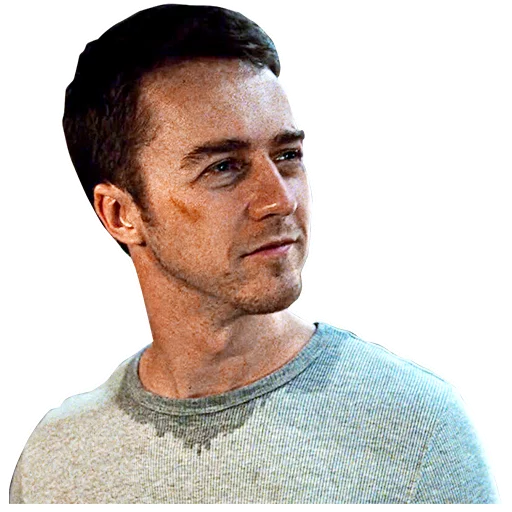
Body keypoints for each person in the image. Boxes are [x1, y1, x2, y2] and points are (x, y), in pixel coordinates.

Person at [10, 2, 500, 504]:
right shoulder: (55, 457)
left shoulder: (418, 429)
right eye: (223, 167)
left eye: (288, 156)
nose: (280, 200)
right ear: (120, 214)